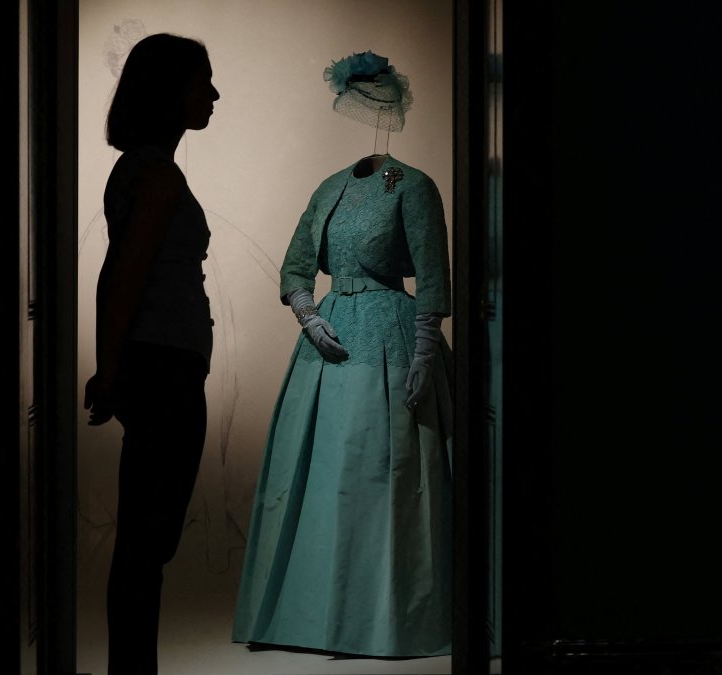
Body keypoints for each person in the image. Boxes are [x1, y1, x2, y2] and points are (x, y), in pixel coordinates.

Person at [232, 50, 454, 657]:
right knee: (322, 473)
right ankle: (311, 616)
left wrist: (425, 346)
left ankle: (378, 618)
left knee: (379, 474)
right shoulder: (330, 187)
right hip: (330, 339)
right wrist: (307, 315)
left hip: (389, 331)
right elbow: (296, 263)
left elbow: (433, 271)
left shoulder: (413, 185)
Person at [82, 32, 220, 675]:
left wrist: (113, 370)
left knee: (146, 539)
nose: (213, 94)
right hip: (162, 368)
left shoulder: (142, 167)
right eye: (203, 82)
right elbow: (124, 275)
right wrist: (110, 372)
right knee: (146, 541)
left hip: (157, 365)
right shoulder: (157, 174)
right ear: (171, 92)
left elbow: (122, 275)